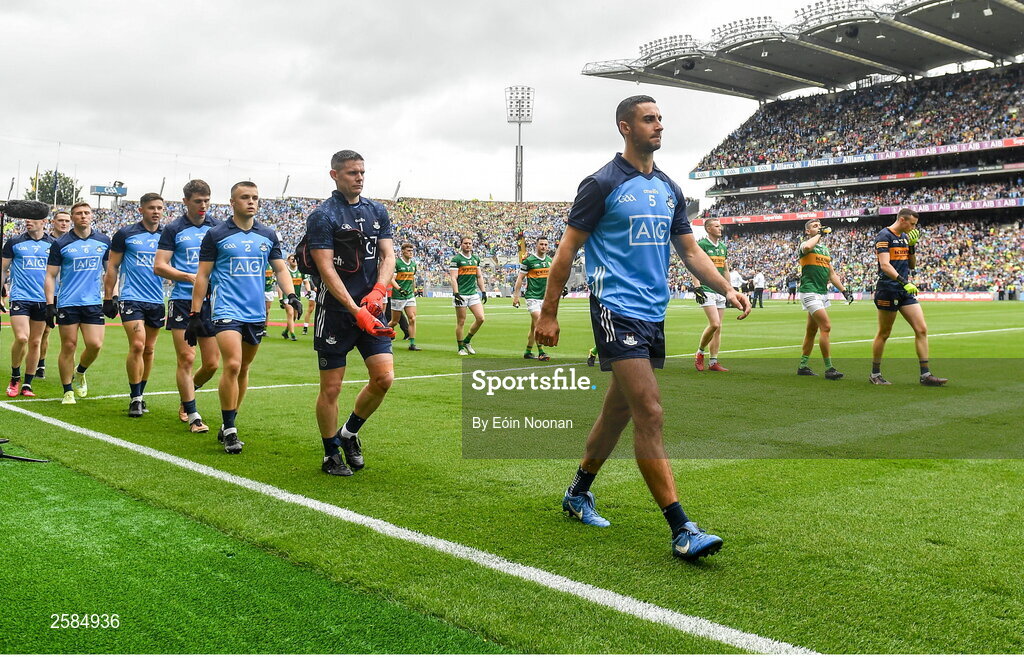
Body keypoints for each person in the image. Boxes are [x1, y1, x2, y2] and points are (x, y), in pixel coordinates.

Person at [535, 95, 750, 560]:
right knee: (650, 411)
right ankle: (681, 527)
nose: (658, 126)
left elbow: (691, 252)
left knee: (619, 413)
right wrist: (548, 312)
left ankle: (577, 492)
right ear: (624, 127)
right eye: (649, 119)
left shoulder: (669, 188)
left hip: (654, 313)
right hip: (615, 308)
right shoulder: (601, 184)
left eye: (660, 119)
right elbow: (567, 251)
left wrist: (725, 287)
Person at [192, 181, 301, 454]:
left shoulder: (268, 235)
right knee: (232, 364)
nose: (251, 202)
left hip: (255, 313)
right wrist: (195, 313)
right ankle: (230, 430)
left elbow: (280, 269)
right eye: (244, 197)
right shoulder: (216, 234)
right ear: (232, 202)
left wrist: (291, 295)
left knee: (243, 368)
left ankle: (230, 420)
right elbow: (203, 275)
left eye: (254, 197)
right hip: (226, 310)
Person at [306, 150, 396, 476]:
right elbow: (326, 268)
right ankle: (331, 453)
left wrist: (378, 291)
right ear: (334, 175)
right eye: (351, 173)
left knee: (384, 378)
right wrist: (353, 308)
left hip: (372, 309)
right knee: (331, 389)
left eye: (361, 172)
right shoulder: (323, 215)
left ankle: (349, 433)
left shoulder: (377, 210)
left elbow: (388, 257)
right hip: (336, 312)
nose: (358, 177)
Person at [154, 179, 220, 433]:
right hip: (182, 300)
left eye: (207, 200)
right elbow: (160, 265)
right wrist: (188, 277)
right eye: (197, 201)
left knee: (212, 364)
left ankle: (187, 394)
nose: (203, 205)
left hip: (213, 303)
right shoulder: (173, 229)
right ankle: (193, 414)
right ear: (185, 202)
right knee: (187, 357)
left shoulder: (217, 228)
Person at [103, 192, 167, 417]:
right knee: (138, 345)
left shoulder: (168, 235)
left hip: (157, 299)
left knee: (149, 349)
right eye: (151, 207)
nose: (156, 211)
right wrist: (108, 297)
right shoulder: (125, 234)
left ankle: (141, 393)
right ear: (141, 210)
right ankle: (135, 397)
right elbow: (113, 267)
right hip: (131, 298)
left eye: (159, 207)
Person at [43, 202, 111, 405]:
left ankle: (80, 371)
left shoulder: (103, 241)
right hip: (68, 302)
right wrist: (49, 304)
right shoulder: (60, 243)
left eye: (86, 213)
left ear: (92, 216)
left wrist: (111, 297)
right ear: (72, 218)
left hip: (92, 303)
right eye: (79, 213)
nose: (83, 216)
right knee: (69, 345)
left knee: (95, 345)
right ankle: (67, 391)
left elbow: (111, 271)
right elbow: (50, 275)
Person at [870, 209, 947, 386]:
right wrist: (904, 281)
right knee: (884, 332)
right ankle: (875, 374)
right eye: (912, 224)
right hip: (889, 288)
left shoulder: (905, 238)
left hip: (905, 290)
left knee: (921, 329)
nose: (913, 228)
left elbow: (911, 265)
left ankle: (925, 375)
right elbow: (884, 265)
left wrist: (911, 246)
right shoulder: (884, 235)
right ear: (902, 220)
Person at [1, 212, 54, 397]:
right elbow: (3, 268)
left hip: (42, 300)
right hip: (20, 297)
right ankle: (15, 376)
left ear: (44, 222)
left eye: (32, 219)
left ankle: (27, 384)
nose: (28, 222)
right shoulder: (14, 242)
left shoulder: (53, 244)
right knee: (22, 338)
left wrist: (54, 301)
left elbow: (57, 274)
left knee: (36, 341)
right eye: (26, 219)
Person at [795, 220, 854, 380]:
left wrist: (844, 291)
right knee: (826, 327)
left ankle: (802, 366)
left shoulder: (824, 249)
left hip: (821, 293)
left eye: (819, 225)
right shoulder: (805, 245)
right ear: (807, 232)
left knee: (811, 331)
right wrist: (820, 234)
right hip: (809, 292)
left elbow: (832, 274)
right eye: (814, 226)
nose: (818, 227)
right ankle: (829, 368)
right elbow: (808, 247)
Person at [35, 211, 73, 379]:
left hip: (68, 293)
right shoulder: (46, 242)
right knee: (44, 331)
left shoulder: (73, 242)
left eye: (67, 221)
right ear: (53, 222)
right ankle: (40, 364)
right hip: (49, 293)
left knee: (69, 336)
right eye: (60, 221)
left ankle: (69, 369)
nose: (64, 224)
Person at [693, 219, 732, 372]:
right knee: (714, 323)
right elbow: (694, 266)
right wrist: (697, 287)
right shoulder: (702, 245)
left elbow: (726, 270)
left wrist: (730, 290)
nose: (720, 228)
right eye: (716, 226)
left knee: (718, 328)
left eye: (720, 225)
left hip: (720, 290)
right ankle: (700, 352)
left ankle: (713, 362)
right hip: (706, 288)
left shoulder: (723, 247)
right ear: (708, 229)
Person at [511, 236, 553, 361]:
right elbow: (520, 279)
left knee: (534, 326)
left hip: (545, 299)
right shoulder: (529, 261)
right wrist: (516, 296)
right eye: (541, 244)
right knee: (540, 323)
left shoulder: (550, 261)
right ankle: (541, 352)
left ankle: (528, 352)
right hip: (532, 298)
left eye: (545, 244)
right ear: (536, 245)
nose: (543, 247)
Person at [449, 236, 487, 355]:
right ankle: (460, 347)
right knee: (461, 321)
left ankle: (467, 340)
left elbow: (479, 276)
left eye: (470, 243)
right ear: (461, 245)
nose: (468, 245)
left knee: (481, 318)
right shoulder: (457, 259)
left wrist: (484, 291)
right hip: (461, 294)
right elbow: (453, 277)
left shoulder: (475, 259)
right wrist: (456, 293)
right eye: (465, 243)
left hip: (473, 293)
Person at [389, 242, 421, 350]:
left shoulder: (413, 264)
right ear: (402, 251)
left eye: (412, 251)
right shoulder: (397, 263)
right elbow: (391, 279)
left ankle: (412, 344)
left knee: (412, 318)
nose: (411, 253)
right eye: (408, 251)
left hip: (409, 296)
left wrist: (414, 290)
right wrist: (399, 289)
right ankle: (379, 335)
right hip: (398, 296)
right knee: (394, 321)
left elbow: (412, 279)